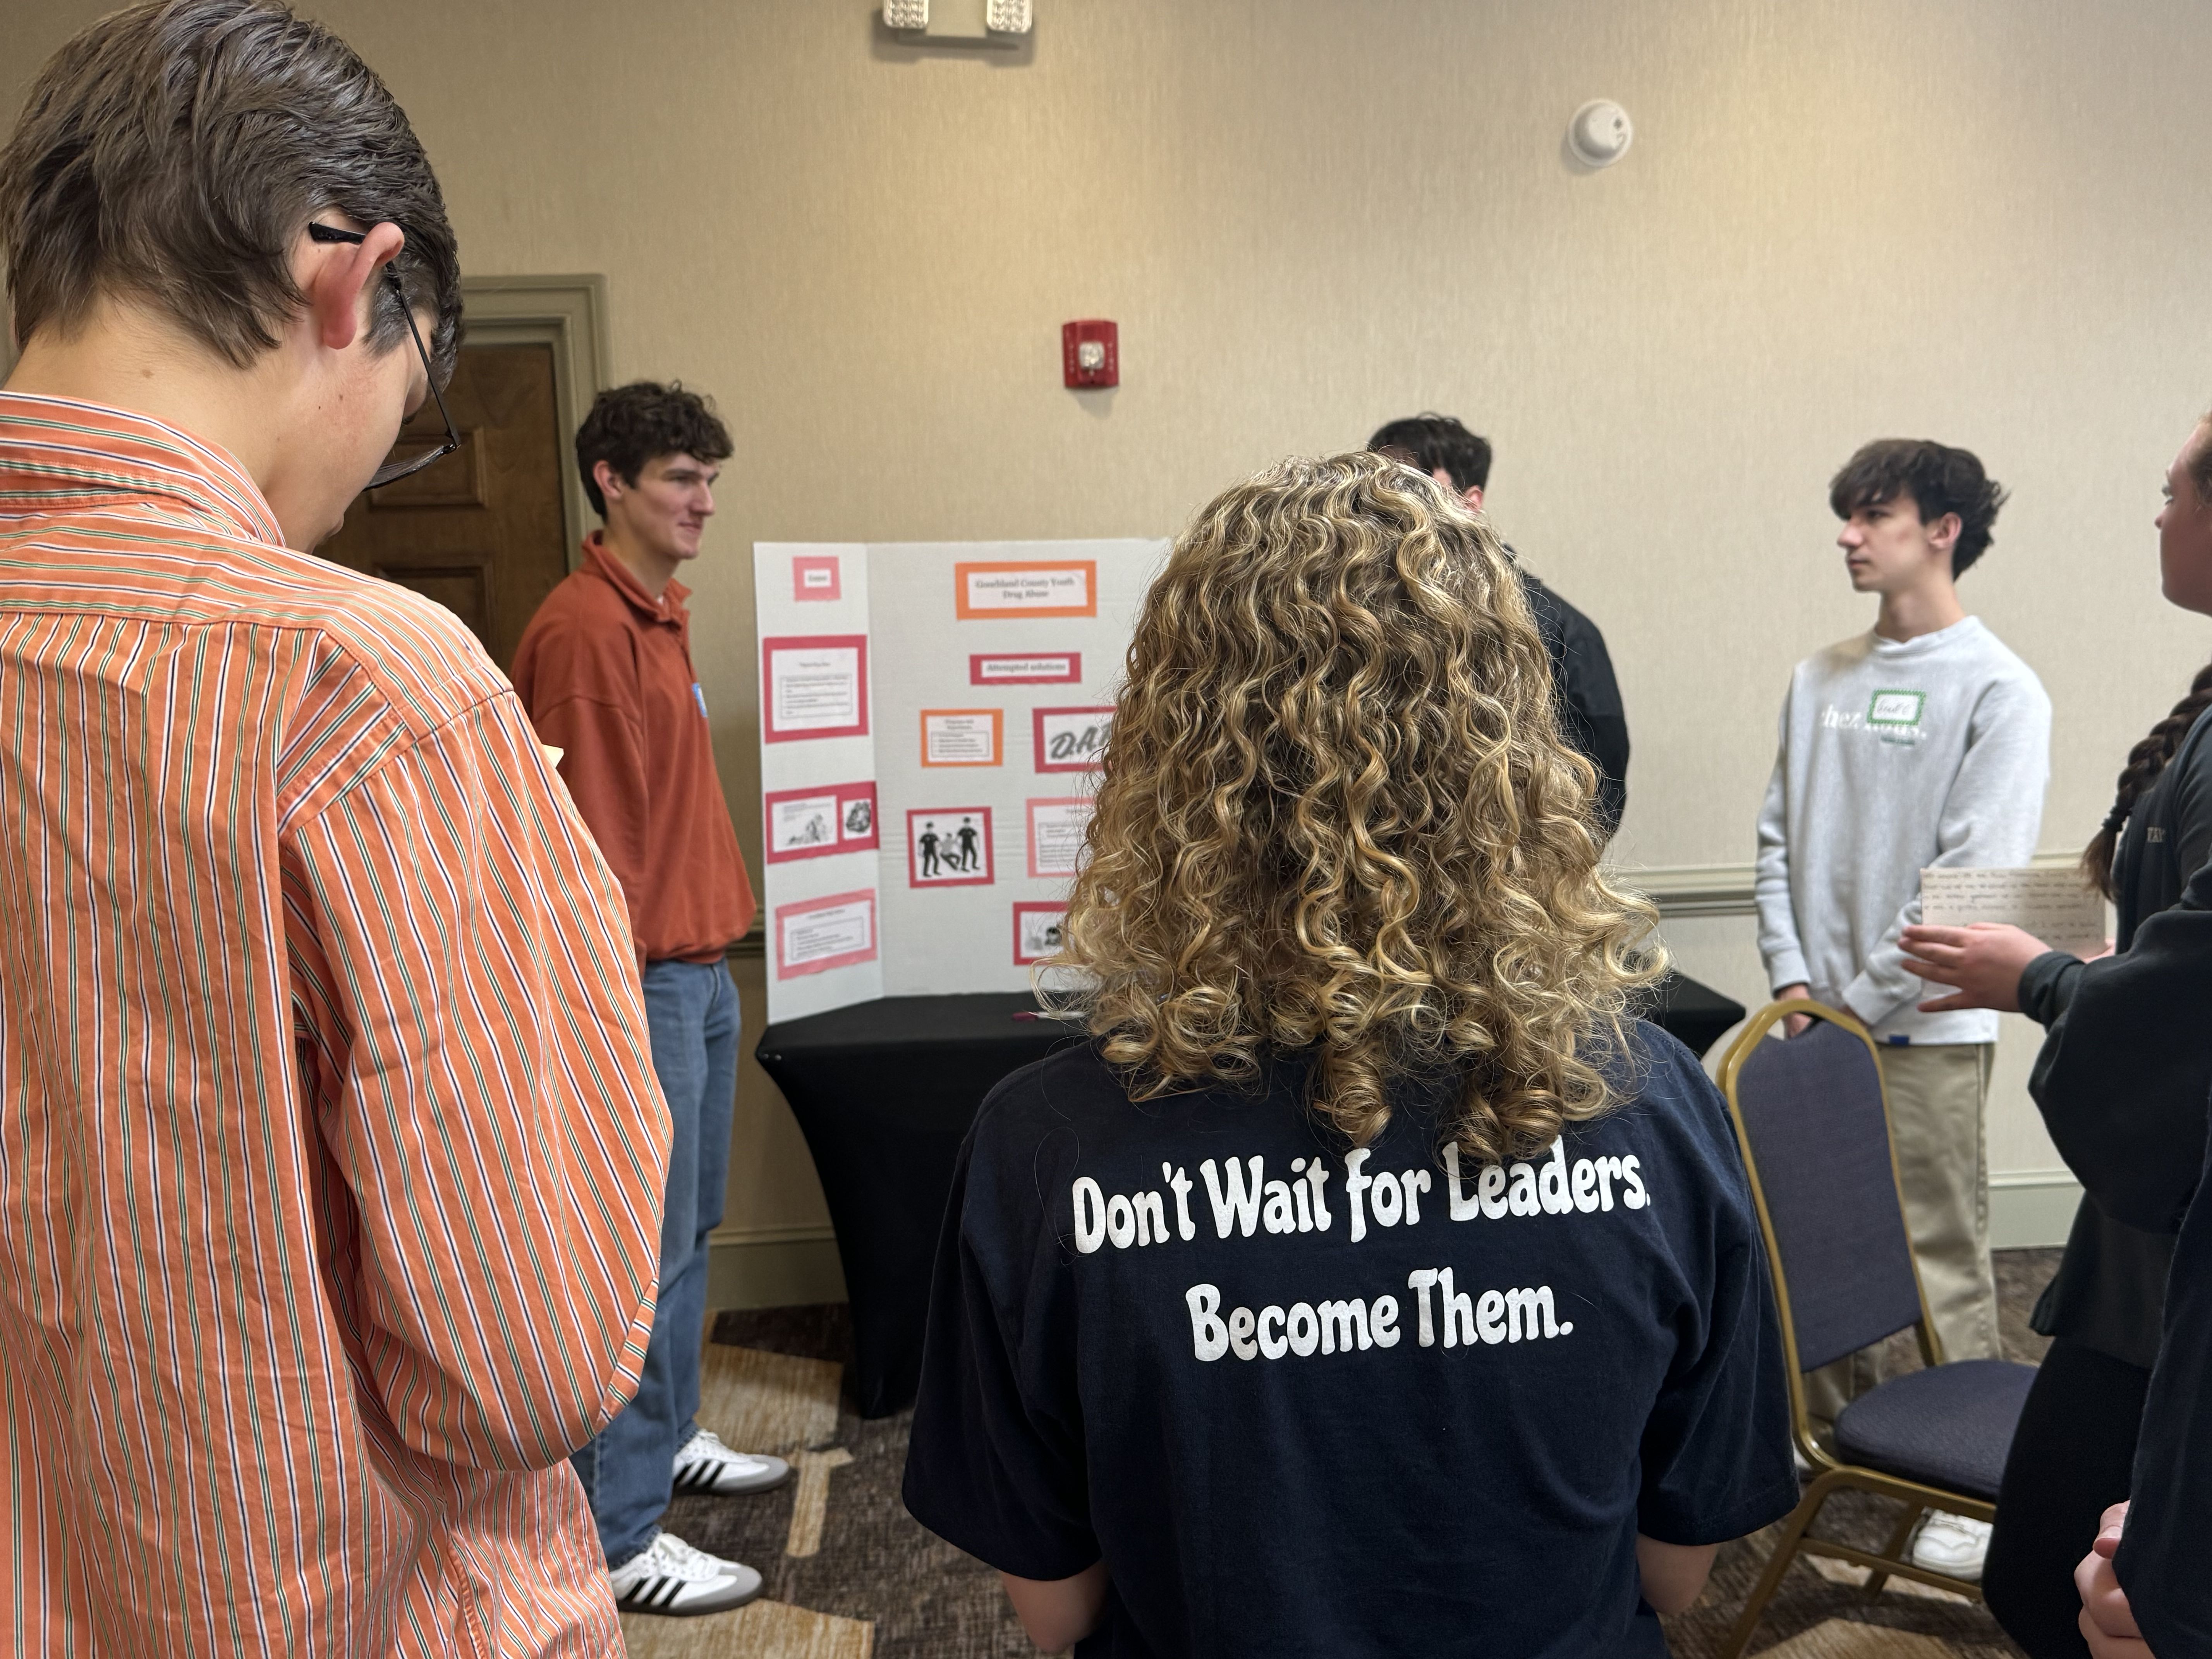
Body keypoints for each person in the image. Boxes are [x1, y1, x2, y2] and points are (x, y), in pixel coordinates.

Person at [0, 2, 672, 1653]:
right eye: (411, 405)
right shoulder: (356, 687)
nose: (376, 472)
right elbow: (531, 1354)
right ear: (351, 279)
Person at [902, 452, 1797, 1656]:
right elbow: (1675, 1577)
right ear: (1512, 750)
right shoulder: (1652, 1101)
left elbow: (1057, 1607)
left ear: (1170, 756)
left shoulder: (1043, 1145)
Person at [1901, 412, 2212, 1658]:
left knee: (2063, 1581)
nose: (2157, 515)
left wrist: (2039, 979)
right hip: (2145, 1248)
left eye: (2171, 491)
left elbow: (2187, 1008)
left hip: (2170, 1258)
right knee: (2055, 1578)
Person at [510, 380, 787, 1616]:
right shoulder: (582, 632)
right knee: (641, 1254)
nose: (704, 501)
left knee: (688, 1233)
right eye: (681, 478)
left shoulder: (657, 616)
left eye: (710, 479)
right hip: (647, 985)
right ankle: (619, 1533)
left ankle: (665, 1440)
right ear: (610, 482)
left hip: (701, 971)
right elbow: (588, 856)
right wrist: (617, 1018)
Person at [1753, 437, 2049, 1580]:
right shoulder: (1818, 680)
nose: (1847, 535)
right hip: (1809, 1020)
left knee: (1938, 1254)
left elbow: (1967, 885)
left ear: (1942, 530)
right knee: (1815, 1248)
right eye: (1845, 514)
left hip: (1923, 1027)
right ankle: (1836, 1449)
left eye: (1872, 514)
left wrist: (1849, 1004)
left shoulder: (1998, 689)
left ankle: (1974, 1490)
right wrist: (1794, 982)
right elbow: (1775, 843)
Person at [1367, 413, 1631, 835]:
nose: (1387, 506)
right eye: (1375, 487)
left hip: (1508, 869)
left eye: (1412, 487)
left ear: (1469, 503)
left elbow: (1597, 800)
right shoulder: (1354, 617)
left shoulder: (1562, 632)